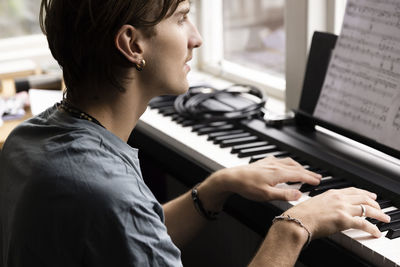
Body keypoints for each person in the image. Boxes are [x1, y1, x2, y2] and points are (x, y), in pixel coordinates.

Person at [0, 0, 390, 266]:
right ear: (132, 44)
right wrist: (293, 229)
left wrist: (218, 185)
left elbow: (129, 237)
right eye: (182, 17)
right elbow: (123, 213)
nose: (197, 38)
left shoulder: (31, 138)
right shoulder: (107, 190)